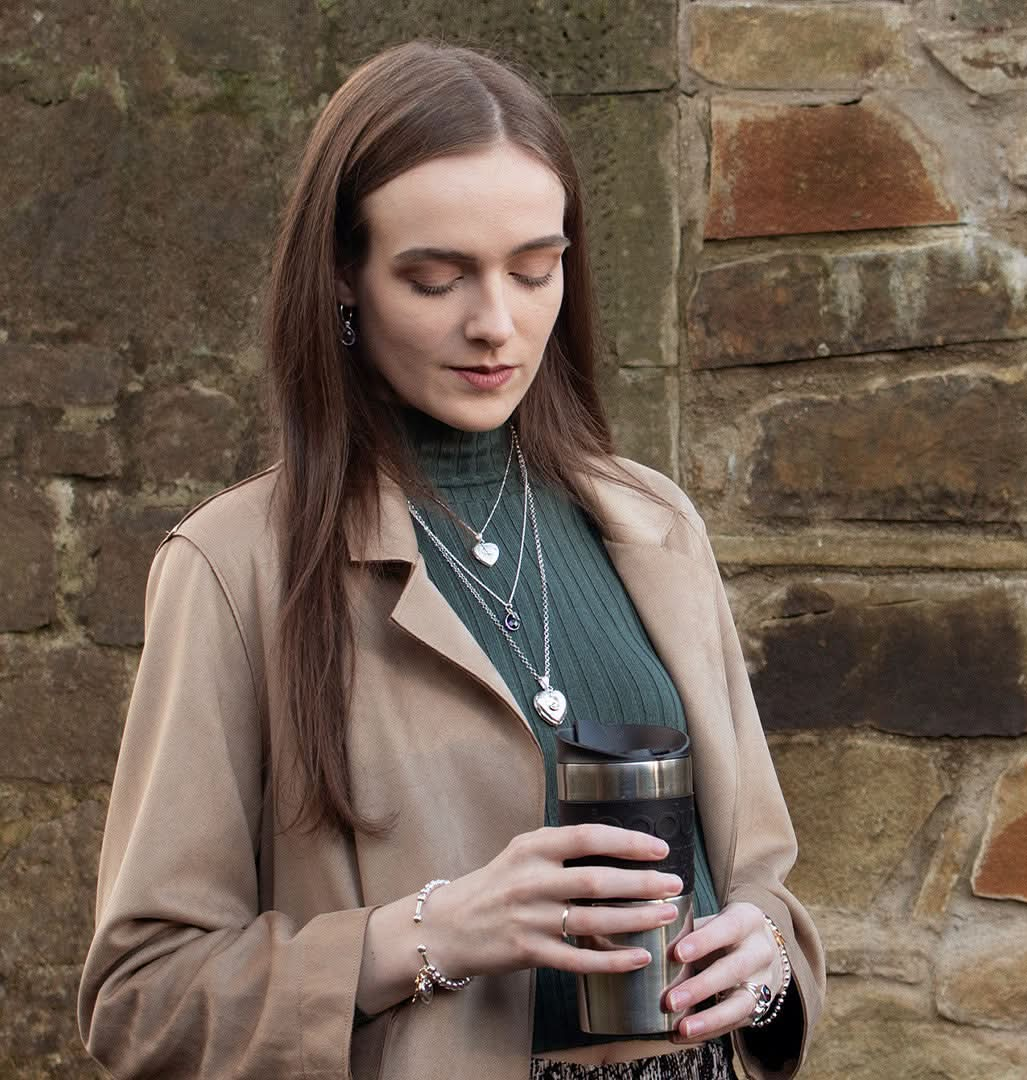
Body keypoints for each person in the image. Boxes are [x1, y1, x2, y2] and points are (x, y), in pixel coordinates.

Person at [77, 39, 824, 1080]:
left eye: (534, 268)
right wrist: (429, 935)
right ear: (343, 277)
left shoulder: (657, 526)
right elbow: (140, 1001)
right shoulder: (232, 568)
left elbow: (766, 889)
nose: (496, 324)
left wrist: (769, 960)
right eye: (435, 278)